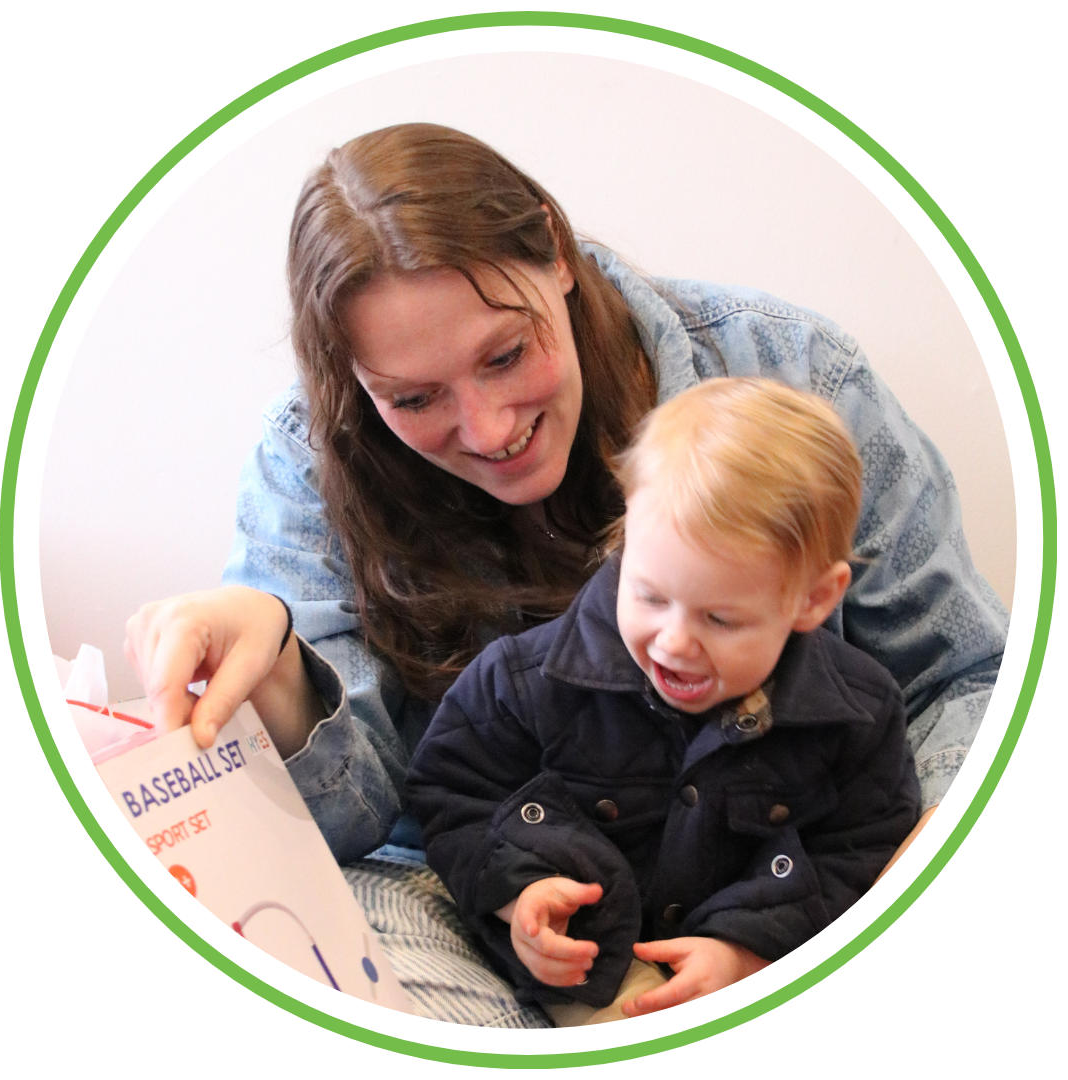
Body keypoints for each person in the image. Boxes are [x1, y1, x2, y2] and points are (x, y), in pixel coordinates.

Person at [123, 123, 1008, 1025]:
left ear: (556, 250)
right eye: (415, 399)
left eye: (506, 355)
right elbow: (374, 820)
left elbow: (967, 678)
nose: (488, 425)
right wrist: (281, 668)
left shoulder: (795, 371)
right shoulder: (308, 463)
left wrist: (836, 916)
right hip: (468, 900)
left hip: (794, 888)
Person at [407, 378, 922, 1022]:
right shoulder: (522, 681)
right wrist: (520, 894)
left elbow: (857, 851)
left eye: (720, 619)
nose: (674, 643)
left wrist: (744, 952)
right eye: (649, 596)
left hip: (753, 980)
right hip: (584, 978)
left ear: (814, 599)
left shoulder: (860, 714)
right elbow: (450, 794)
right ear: (626, 539)